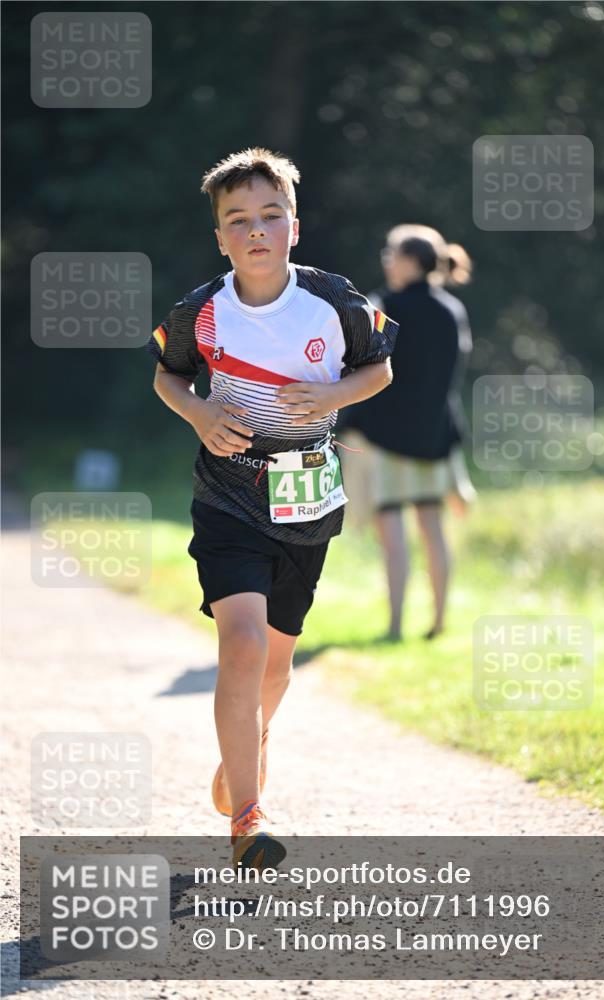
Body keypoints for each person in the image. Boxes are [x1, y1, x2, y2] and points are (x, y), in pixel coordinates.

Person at [147, 148, 397, 870]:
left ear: (295, 225)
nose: (255, 230)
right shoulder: (200, 310)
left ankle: (243, 758)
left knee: (277, 666)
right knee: (243, 644)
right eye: (237, 220)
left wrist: (331, 397)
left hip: (306, 502)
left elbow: (379, 367)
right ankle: (249, 817)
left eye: (269, 215)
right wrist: (198, 416)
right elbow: (167, 379)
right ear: (219, 237)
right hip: (227, 493)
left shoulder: (333, 299)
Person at [341, 224, 476, 641]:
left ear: (413, 262)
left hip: (383, 440)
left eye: (392, 252)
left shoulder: (381, 306)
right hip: (434, 438)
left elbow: (358, 367)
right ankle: (438, 622)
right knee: (433, 530)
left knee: (393, 535)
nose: (385, 259)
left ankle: (395, 626)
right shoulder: (452, 310)